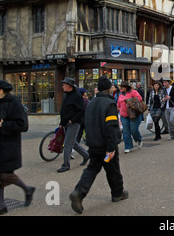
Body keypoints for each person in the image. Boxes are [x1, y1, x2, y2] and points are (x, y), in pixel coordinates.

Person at [69, 76, 128, 214]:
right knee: (113, 169)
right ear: (109, 89)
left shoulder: (91, 103)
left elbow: (87, 124)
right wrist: (112, 146)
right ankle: (117, 193)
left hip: (93, 144)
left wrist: (89, 141)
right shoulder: (109, 104)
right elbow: (111, 127)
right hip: (105, 143)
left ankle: (79, 192)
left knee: (91, 169)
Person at [0, 80, 35, 215]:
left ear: (0, 91)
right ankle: (1, 206)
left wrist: (2, 125)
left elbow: (22, 125)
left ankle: (27, 189)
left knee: (5, 175)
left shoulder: (14, 103)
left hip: (8, 146)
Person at [58, 77, 89, 173]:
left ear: (69, 86)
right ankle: (86, 155)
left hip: (74, 124)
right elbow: (64, 110)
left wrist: (73, 119)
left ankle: (66, 165)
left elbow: (81, 111)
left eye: (64, 84)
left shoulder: (77, 96)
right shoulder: (66, 95)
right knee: (73, 143)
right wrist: (61, 123)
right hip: (66, 123)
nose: (62, 86)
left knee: (67, 144)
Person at [117, 81, 143, 152]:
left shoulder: (133, 92)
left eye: (122, 87)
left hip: (133, 114)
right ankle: (128, 147)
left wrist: (130, 102)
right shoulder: (120, 95)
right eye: (121, 87)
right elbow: (118, 105)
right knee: (126, 131)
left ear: (126, 87)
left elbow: (139, 99)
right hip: (123, 115)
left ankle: (139, 139)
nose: (121, 88)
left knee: (133, 130)